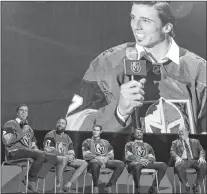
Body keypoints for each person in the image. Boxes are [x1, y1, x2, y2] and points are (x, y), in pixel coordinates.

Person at [65, 1, 206, 134]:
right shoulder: (107, 64)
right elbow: (72, 126)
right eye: (133, 17)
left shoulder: (198, 70)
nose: (136, 26)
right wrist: (119, 112)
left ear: (167, 27)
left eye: (145, 20)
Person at [2, 104, 58, 193]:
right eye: (21, 110)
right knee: (41, 154)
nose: (24, 112)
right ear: (17, 113)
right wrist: (22, 131)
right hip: (14, 152)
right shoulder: (10, 123)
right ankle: (30, 180)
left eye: (26, 111)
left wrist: (35, 148)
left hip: (27, 152)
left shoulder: (30, 129)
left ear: (28, 114)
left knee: (53, 158)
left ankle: (30, 180)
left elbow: (33, 143)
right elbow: (7, 141)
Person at [43, 117, 88, 193]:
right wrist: (65, 155)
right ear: (56, 124)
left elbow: (71, 151)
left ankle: (68, 183)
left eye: (62, 123)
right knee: (64, 159)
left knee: (84, 163)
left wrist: (71, 156)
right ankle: (58, 185)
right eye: (59, 122)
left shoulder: (67, 137)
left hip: (66, 159)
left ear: (65, 126)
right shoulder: (50, 134)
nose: (60, 124)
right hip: (54, 159)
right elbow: (49, 150)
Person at [82, 124, 125, 193]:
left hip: (105, 161)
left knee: (121, 164)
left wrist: (106, 158)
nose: (95, 132)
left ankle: (109, 186)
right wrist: (98, 158)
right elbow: (85, 155)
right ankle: (95, 186)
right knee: (95, 163)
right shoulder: (87, 141)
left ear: (100, 132)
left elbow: (111, 153)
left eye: (97, 130)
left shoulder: (105, 142)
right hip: (93, 162)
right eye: (94, 130)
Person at [125, 128, 167, 194]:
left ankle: (153, 187)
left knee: (163, 165)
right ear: (134, 135)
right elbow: (129, 156)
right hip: (134, 164)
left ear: (142, 134)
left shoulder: (147, 145)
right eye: (137, 133)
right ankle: (137, 188)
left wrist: (147, 161)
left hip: (146, 163)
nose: (139, 134)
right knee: (137, 165)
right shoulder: (129, 144)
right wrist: (139, 160)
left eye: (140, 132)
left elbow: (152, 158)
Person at [170, 125, 206, 193]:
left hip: (195, 161)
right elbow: (172, 151)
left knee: (203, 163)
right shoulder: (175, 142)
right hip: (183, 161)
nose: (180, 133)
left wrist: (201, 158)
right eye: (179, 132)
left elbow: (202, 150)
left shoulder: (196, 141)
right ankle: (186, 185)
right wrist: (177, 158)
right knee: (178, 164)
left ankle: (196, 184)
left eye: (182, 131)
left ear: (187, 132)